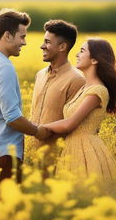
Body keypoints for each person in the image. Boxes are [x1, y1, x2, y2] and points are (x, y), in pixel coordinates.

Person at [41, 37, 116, 192]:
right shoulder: (84, 88)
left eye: (82, 51)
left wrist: (39, 128)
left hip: (86, 151)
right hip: (71, 148)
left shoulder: (97, 91)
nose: (77, 54)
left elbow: (69, 123)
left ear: (95, 60)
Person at [0, 8, 50, 183]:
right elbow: (12, 117)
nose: (24, 43)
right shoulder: (3, 67)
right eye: (22, 37)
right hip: (5, 153)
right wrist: (39, 132)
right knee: (10, 207)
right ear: (7, 36)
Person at [30, 20, 85, 174]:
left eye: (47, 42)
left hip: (58, 161)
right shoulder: (40, 75)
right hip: (33, 156)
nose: (42, 46)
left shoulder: (77, 80)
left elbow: (75, 125)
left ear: (62, 47)